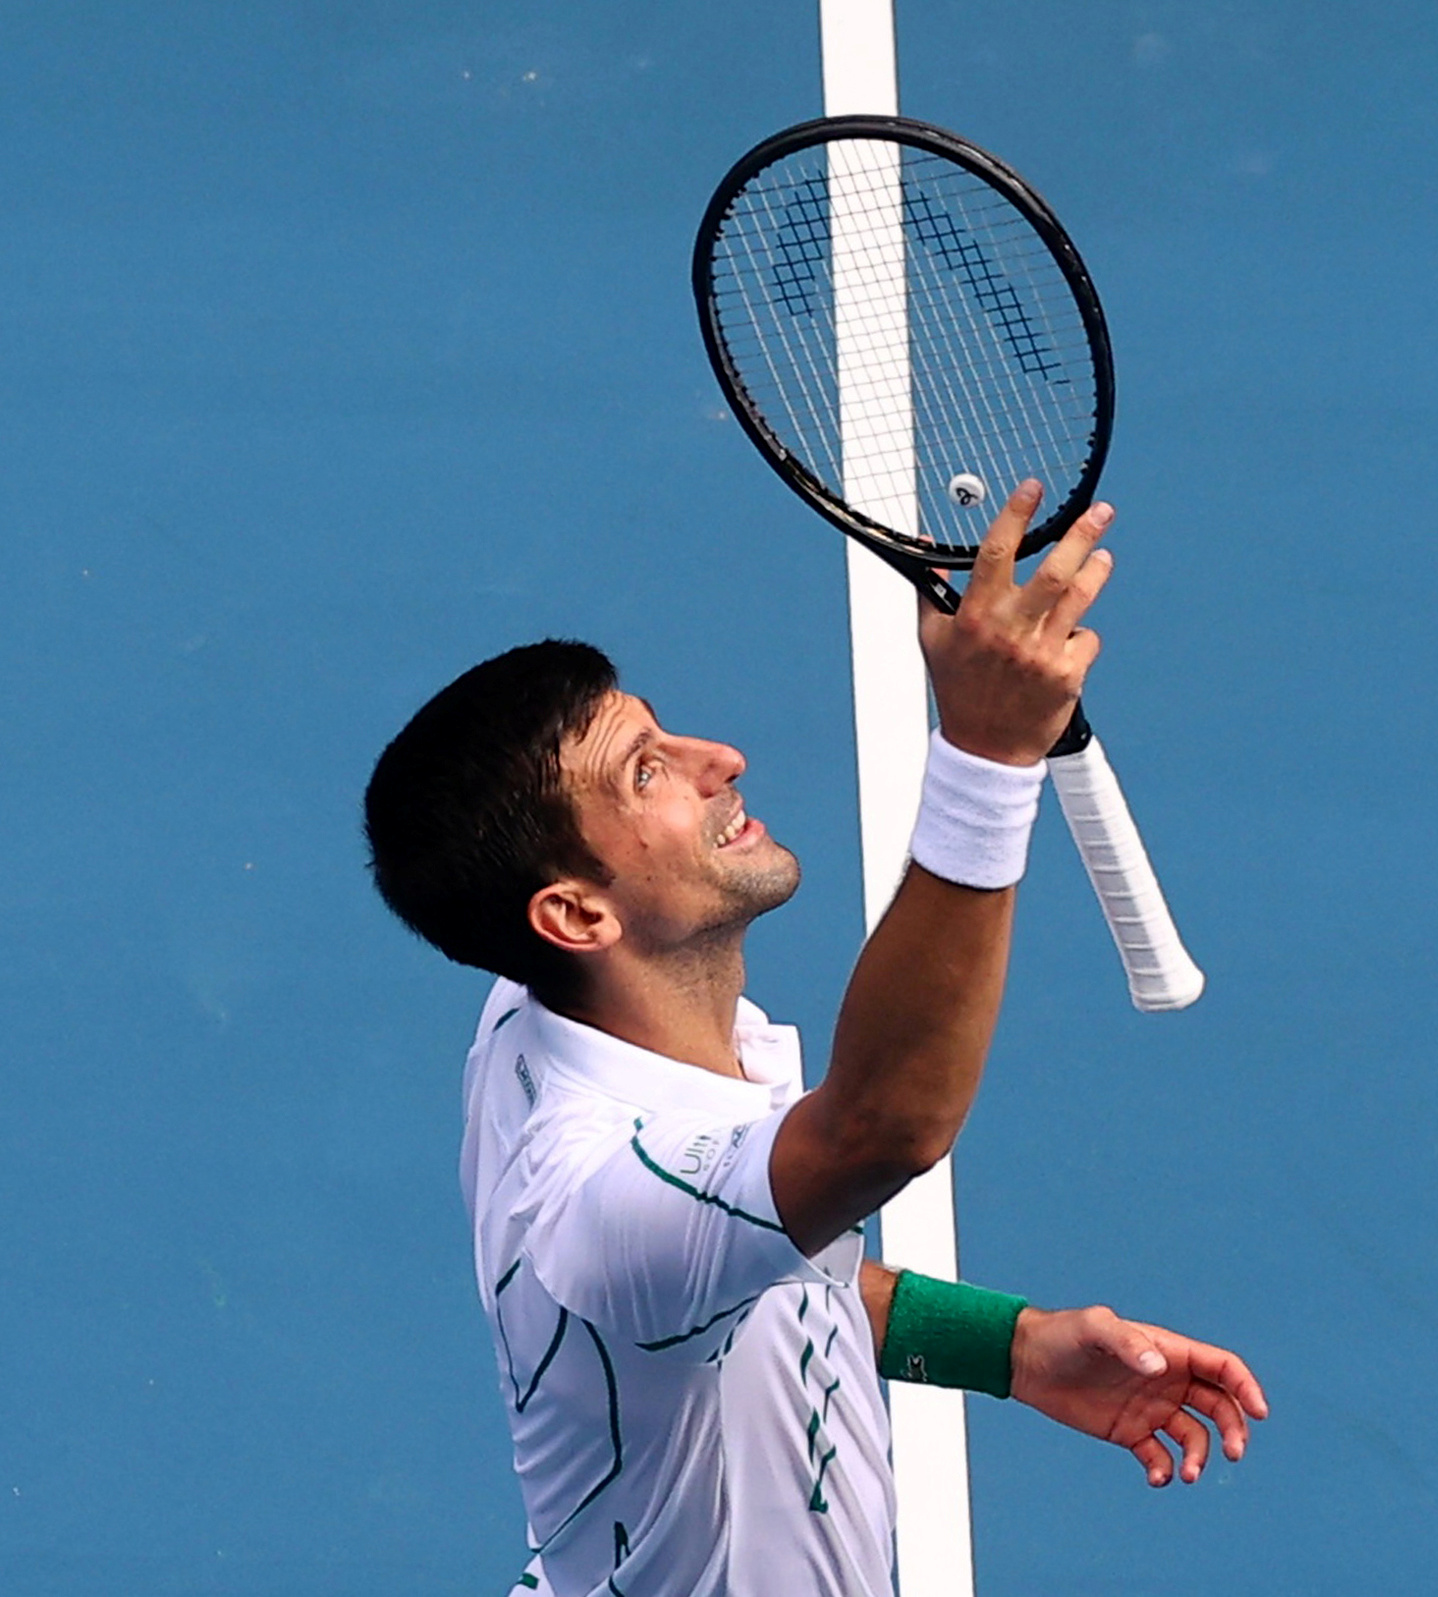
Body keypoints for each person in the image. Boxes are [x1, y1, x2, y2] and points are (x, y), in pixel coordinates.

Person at [363, 484, 1267, 1597]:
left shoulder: (557, 1011)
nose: (720, 758)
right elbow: (884, 1125)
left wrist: (1007, 1346)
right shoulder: (599, 1205)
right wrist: (984, 757)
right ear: (576, 915)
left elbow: (768, 1257)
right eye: (647, 771)